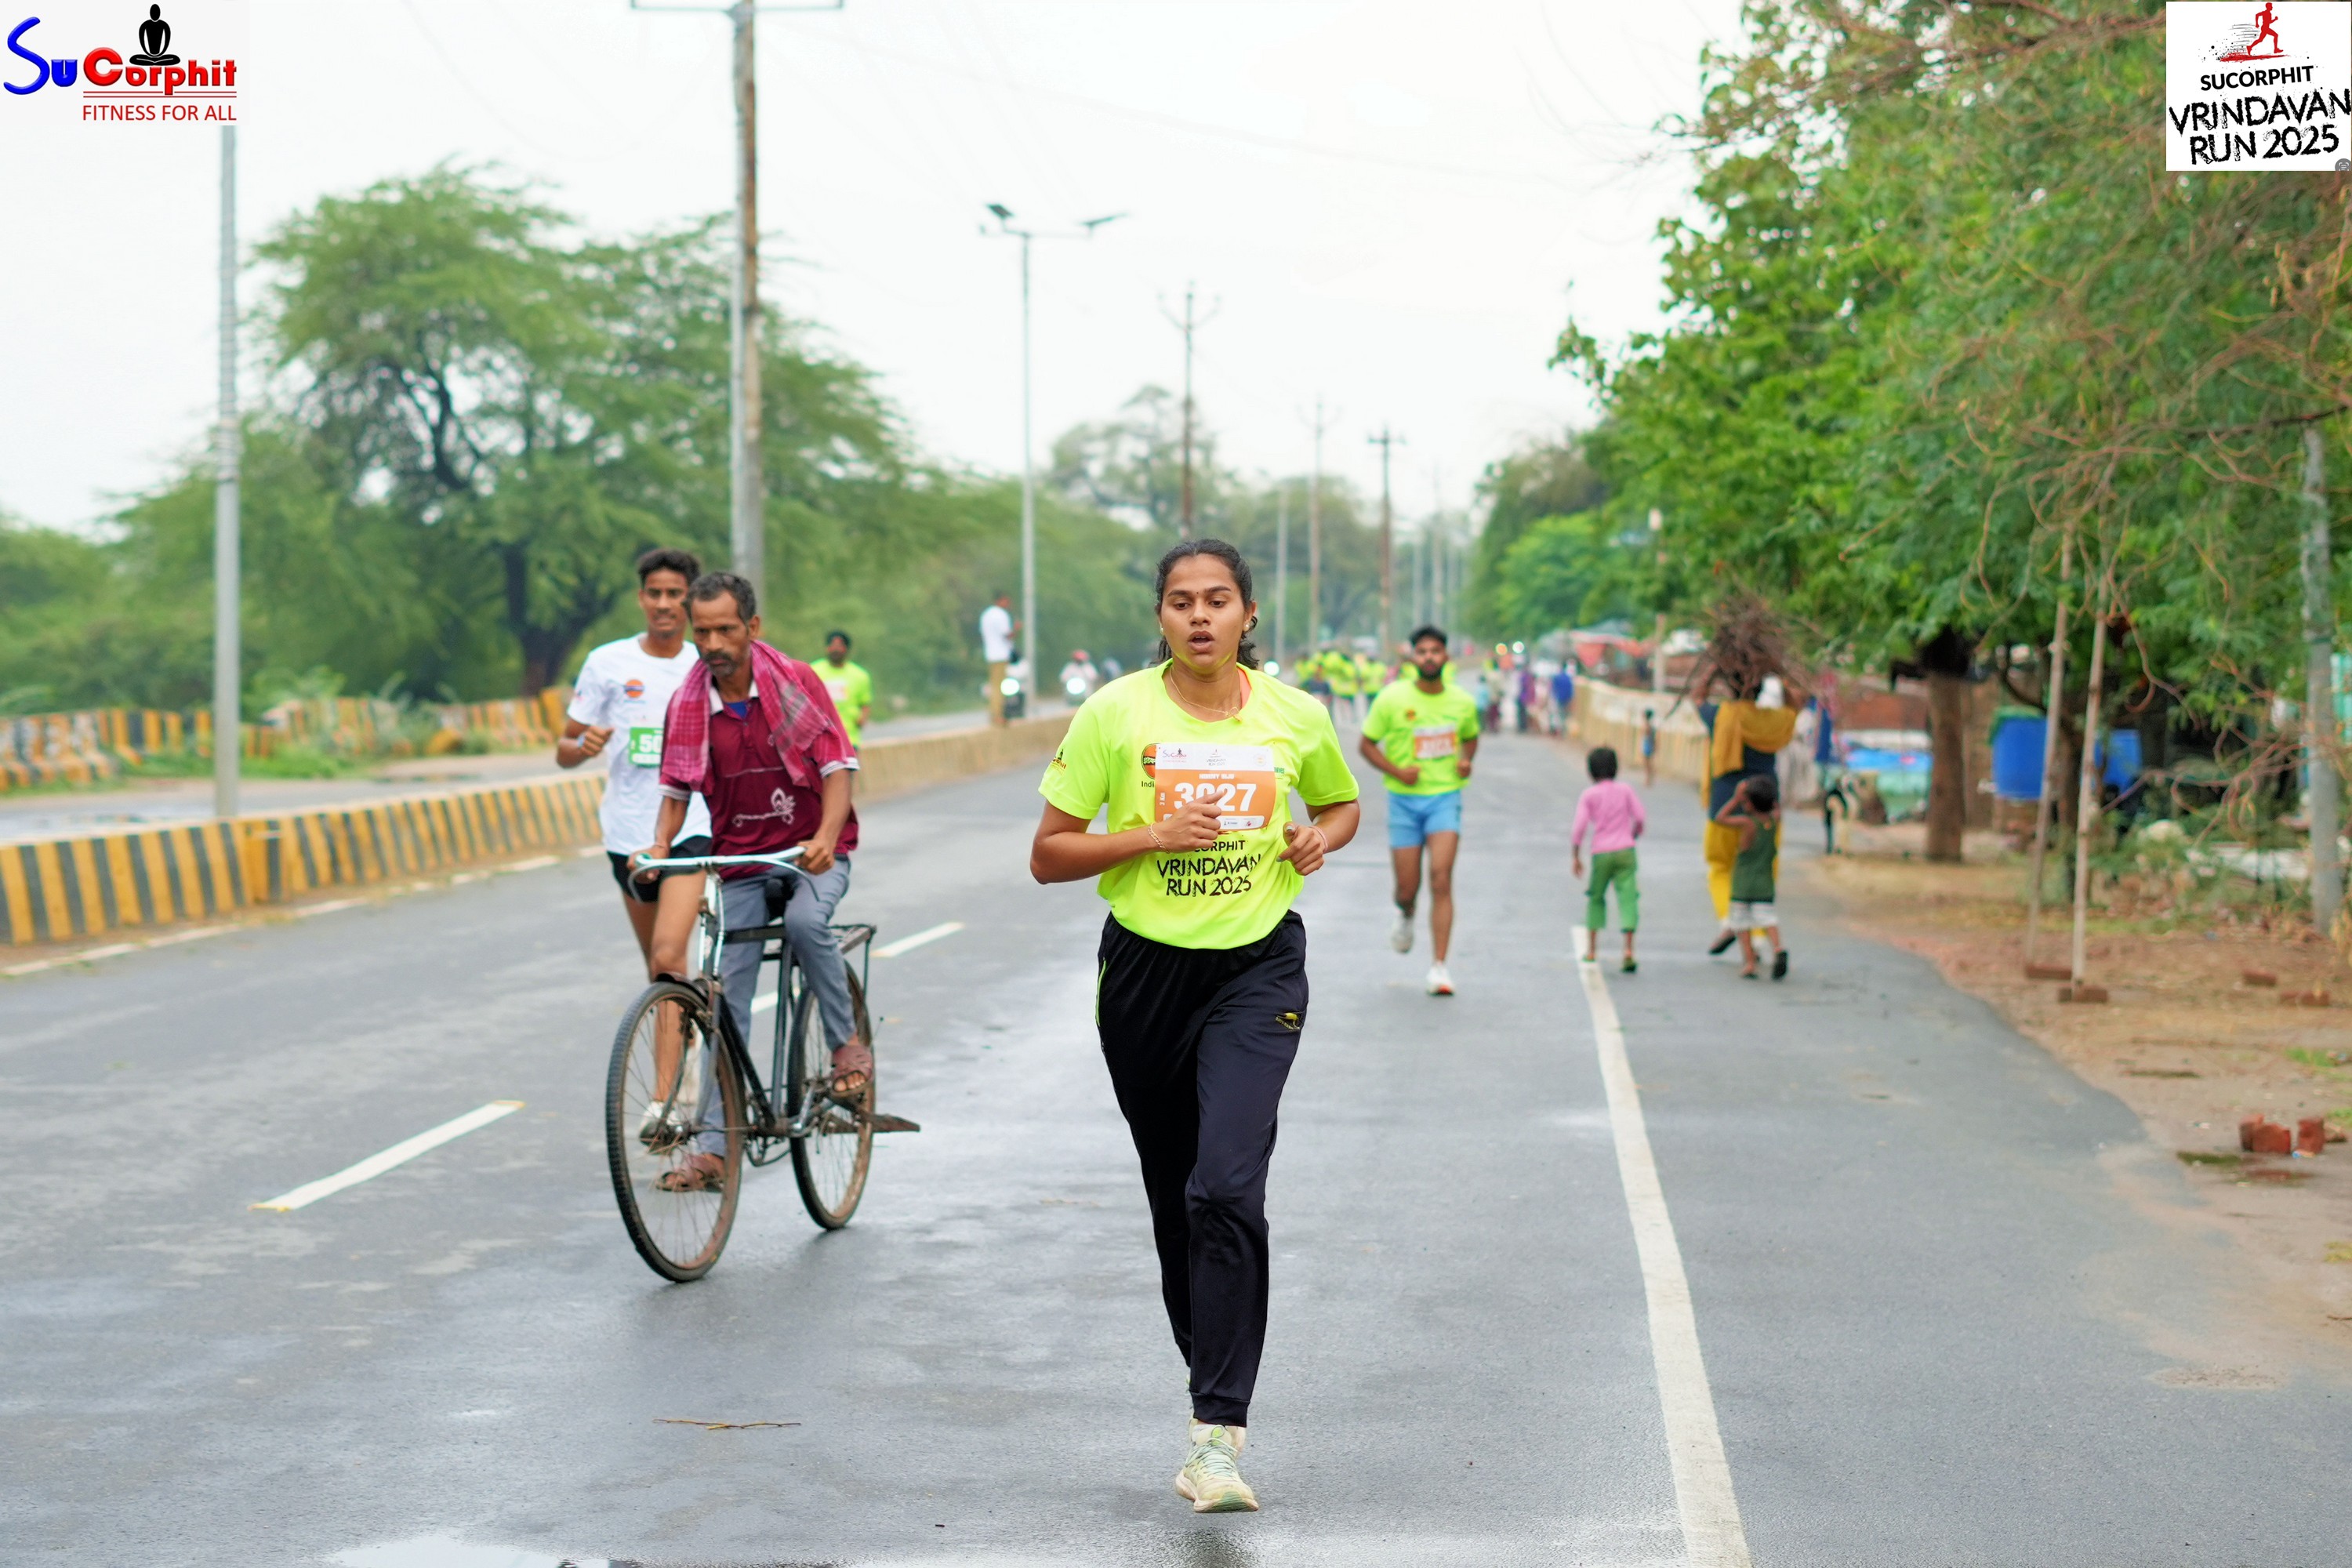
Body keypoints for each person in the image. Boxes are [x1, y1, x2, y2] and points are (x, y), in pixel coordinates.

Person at [1030, 538, 1361, 1515]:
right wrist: (1149, 835)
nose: (1201, 615)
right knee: (1179, 1197)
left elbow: (1341, 804)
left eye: (1218, 599)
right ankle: (1207, 1365)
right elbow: (1049, 853)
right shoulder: (1115, 712)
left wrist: (1316, 836)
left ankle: (1217, 1431)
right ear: (1162, 617)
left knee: (1226, 1185)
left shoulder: (1295, 713)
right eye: (1182, 601)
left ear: (1248, 614)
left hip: (1257, 967)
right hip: (1145, 975)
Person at [643, 572, 865, 1191]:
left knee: (805, 923)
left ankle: (845, 1046)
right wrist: (659, 847)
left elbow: (838, 767)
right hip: (740, 863)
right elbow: (675, 789)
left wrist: (826, 837)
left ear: (752, 627)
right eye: (703, 632)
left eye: (726, 629)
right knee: (724, 1000)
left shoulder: (796, 682)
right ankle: (714, 1149)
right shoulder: (689, 704)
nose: (713, 643)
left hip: (811, 855)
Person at [557, 547, 713, 984]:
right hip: (628, 829)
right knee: (657, 970)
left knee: (668, 957)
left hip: (692, 824)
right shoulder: (607, 663)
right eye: (654, 593)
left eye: (675, 594)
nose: (664, 604)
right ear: (641, 598)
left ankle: (683, 1018)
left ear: (691, 599)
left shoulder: (707, 663)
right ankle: (682, 1019)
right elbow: (565, 747)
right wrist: (582, 747)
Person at [1359, 625, 1481, 995]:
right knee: (1407, 888)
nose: (1429, 657)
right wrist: (1397, 771)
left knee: (1441, 879)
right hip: (1404, 802)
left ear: (1446, 656)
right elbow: (1366, 744)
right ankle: (1406, 912)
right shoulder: (1392, 698)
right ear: (1413, 657)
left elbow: (1471, 738)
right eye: (1423, 651)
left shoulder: (1462, 702)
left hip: (1445, 798)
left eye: (1435, 651)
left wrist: (1465, 761)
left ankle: (1439, 968)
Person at [1700, 680, 1802, 952]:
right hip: (1767, 809)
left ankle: (1729, 921)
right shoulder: (1775, 720)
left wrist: (1710, 676)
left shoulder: (1722, 715)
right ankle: (1757, 935)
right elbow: (1796, 706)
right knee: (1765, 868)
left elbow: (1697, 697)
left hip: (1725, 804)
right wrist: (1781, 680)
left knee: (1721, 867)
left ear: (1729, 688)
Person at [1570, 745, 1645, 972]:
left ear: (1590, 771)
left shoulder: (1589, 795)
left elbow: (1579, 827)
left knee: (1596, 897)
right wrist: (1633, 834)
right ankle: (1628, 950)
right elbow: (1640, 817)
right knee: (1628, 898)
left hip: (1601, 852)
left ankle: (1592, 950)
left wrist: (1576, 855)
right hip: (1626, 850)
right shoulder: (1625, 790)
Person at [1713, 774, 1788, 979]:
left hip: (1743, 884)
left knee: (1741, 923)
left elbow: (1720, 818)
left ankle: (1750, 963)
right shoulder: (1774, 821)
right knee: (1768, 919)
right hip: (1765, 885)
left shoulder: (1747, 823)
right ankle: (1778, 948)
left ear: (1750, 803)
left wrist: (1735, 799)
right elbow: (1777, 808)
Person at [816, 630, 873, 750]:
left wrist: (861, 720)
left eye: (839, 646)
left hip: (849, 737)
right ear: (827, 648)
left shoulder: (859, 675)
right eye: (833, 645)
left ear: (846, 649)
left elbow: (865, 703)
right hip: (821, 736)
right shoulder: (814, 671)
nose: (836, 650)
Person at [980, 591, 1017, 726]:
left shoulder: (986, 614)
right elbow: (1007, 635)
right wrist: (1017, 629)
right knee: (998, 687)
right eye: (1006, 601)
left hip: (991, 654)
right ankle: (997, 715)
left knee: (995, 685)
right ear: (1000, 600)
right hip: (1000, 655)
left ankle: (995, 714)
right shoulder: (1001, 615)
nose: (1008, 604)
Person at [1549, 663, 1576, 738]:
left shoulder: (1557, 678)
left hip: (1559, 699)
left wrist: (1553, 698)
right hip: (1566, 700)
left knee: (1558, 716)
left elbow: (1554, 689)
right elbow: (1571, 691)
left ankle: (1558, 732)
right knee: (1564, 716)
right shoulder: (1568, 679)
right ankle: (1563, 733)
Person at [1641, 707, 1658, 787]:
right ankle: (1649, 779)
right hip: (1649, 745)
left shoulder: (1648, 725)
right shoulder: (1651, 725)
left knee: (1647, 764)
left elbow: (1648, 735)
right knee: (1648, 763)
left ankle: (1648, 780)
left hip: (1647, 745)